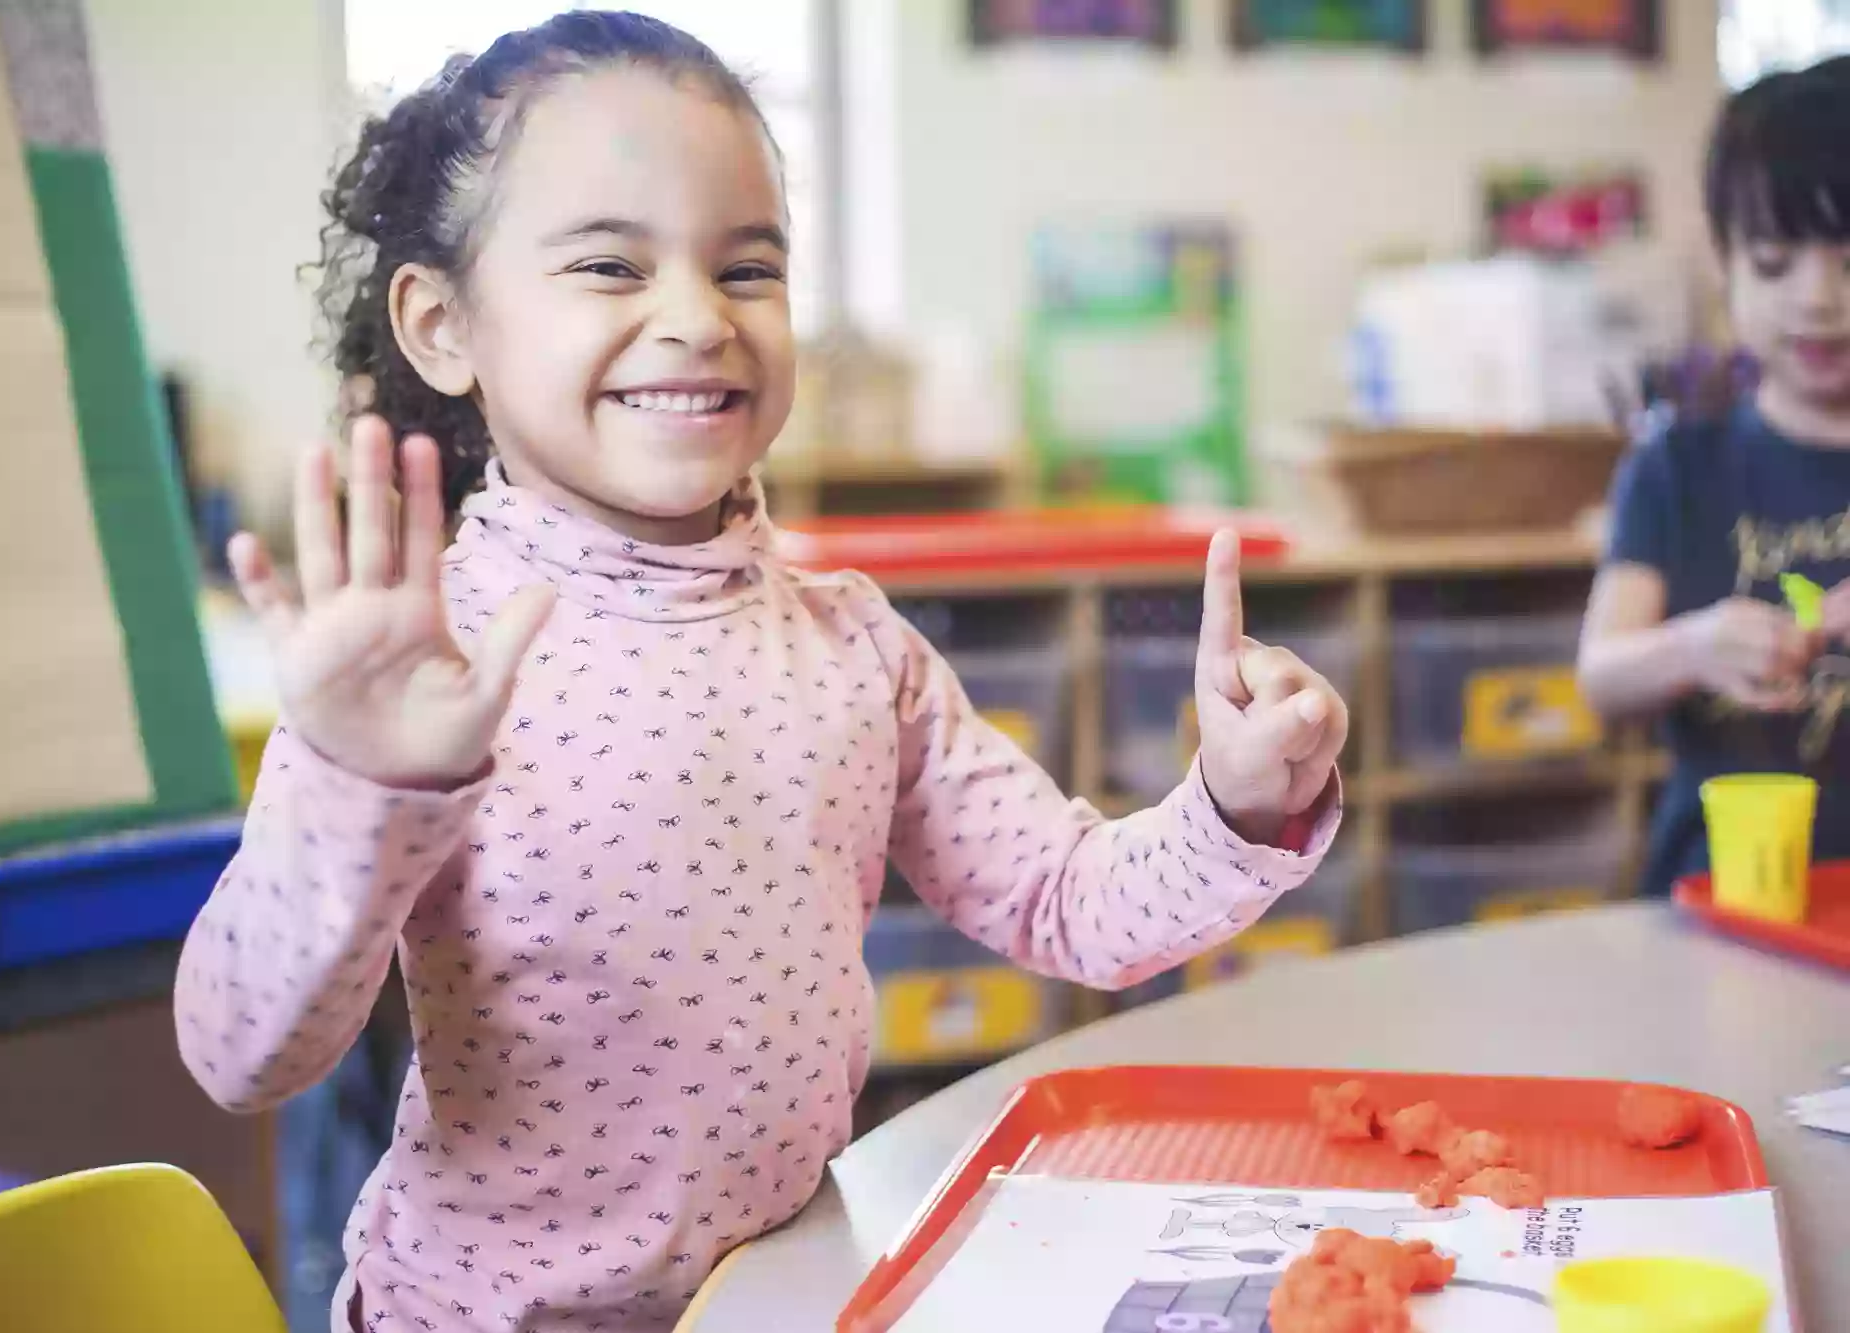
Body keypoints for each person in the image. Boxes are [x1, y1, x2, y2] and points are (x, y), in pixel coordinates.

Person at [174, 13, 1347, 1331]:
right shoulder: (419, 663)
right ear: (444, 326)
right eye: (611, 265)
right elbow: (243, 1056)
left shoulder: (852, 644)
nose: (695, 319)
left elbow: (1068, 900)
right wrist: (355, 788)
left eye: (748, 270)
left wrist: (1235, 806)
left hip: (776, 1300)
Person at [1579, 55, 1850, 898]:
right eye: (1774, 262)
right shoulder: (1677, 467)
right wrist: (1694, 645)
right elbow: (1602, 675)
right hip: (1720, 898)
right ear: (1726, 262)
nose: (1817, 299)